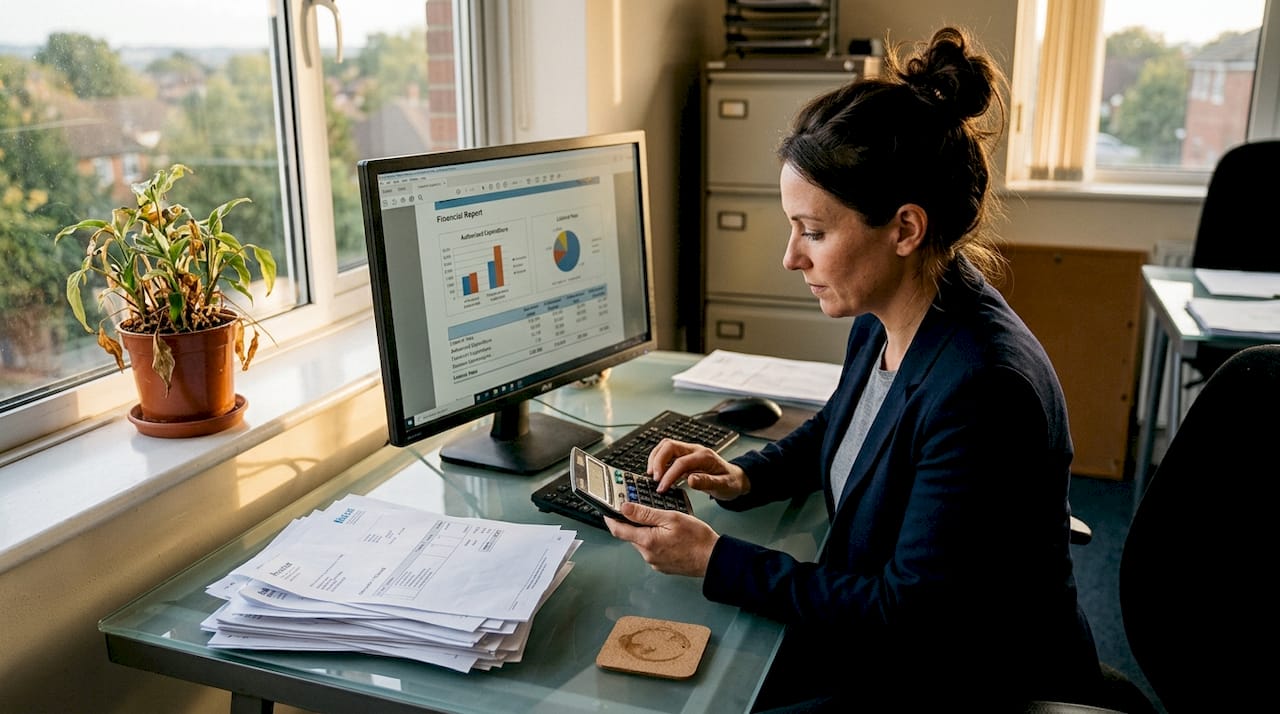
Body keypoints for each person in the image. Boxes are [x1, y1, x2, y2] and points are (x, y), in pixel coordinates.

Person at [604, 26, 1104, 711]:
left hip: (963, 680)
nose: (791, 258)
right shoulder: (892, 311)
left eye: (813, 231)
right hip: (894, 642)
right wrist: (746, 474)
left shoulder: (983, 387)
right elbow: (845, 425)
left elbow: (907, 614)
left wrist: (718, 561)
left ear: (904, 229)